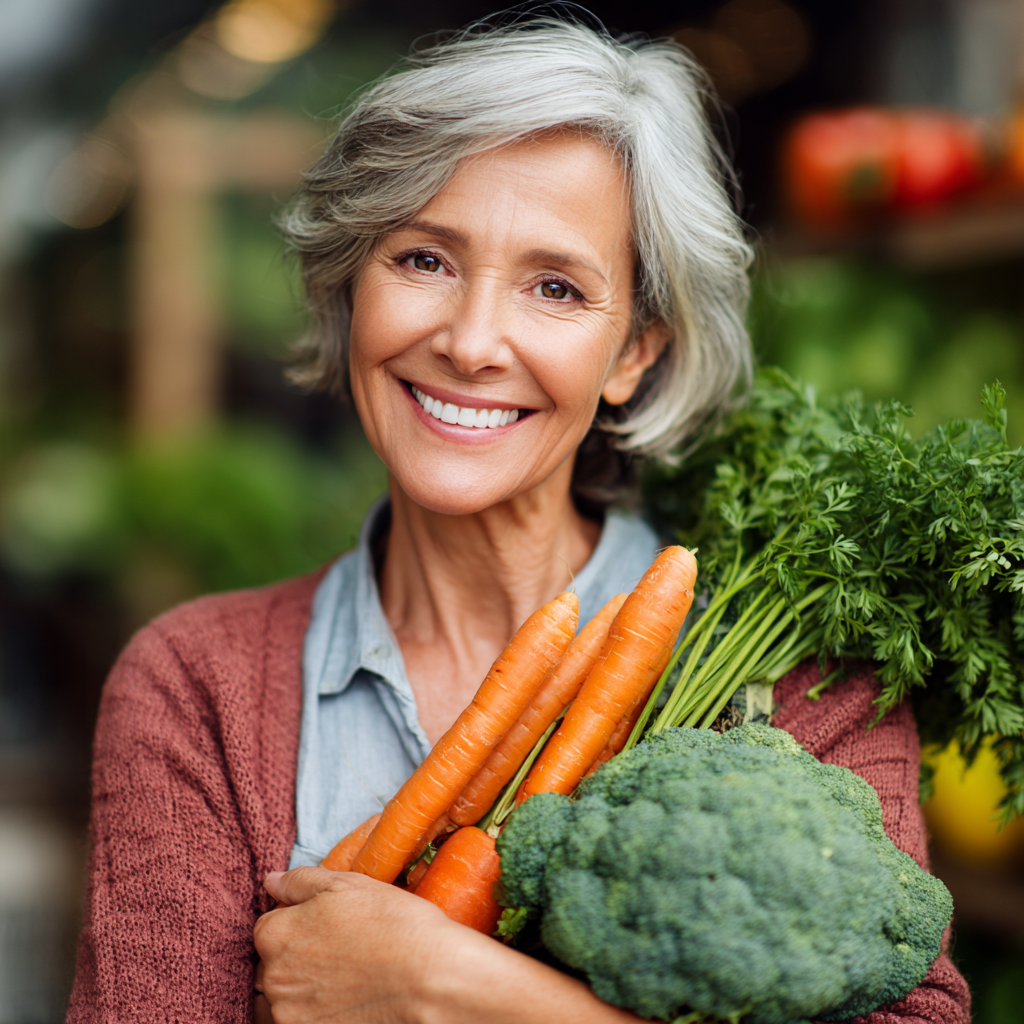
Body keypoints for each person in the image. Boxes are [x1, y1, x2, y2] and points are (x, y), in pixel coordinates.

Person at [66, 19, 970, 1024]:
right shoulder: (196, 685)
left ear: (634, 353)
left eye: (553, 287)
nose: (471, 341)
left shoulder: (807, 685)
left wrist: (457, 988)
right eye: (422, 260)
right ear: (348, 286)